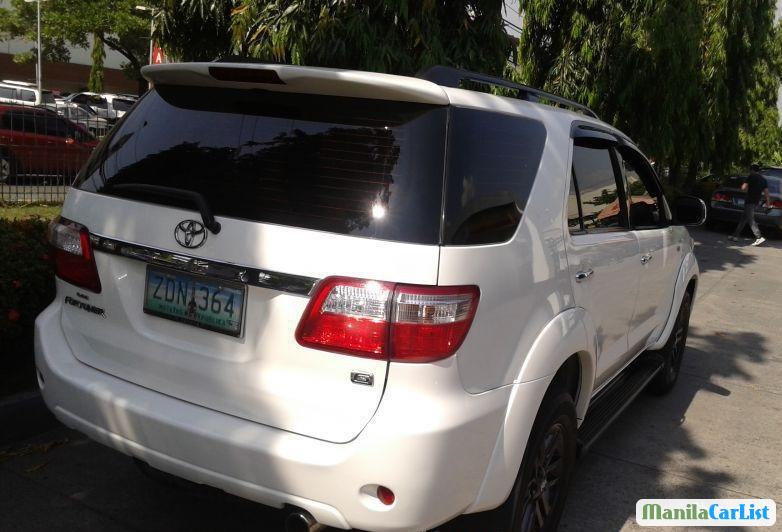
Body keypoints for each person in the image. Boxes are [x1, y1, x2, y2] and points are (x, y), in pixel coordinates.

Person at [729, 164, 770, 246]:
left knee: (750, 219)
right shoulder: (763, 180)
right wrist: (768, 204)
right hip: (756, 201)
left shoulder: (751, 176)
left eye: (750, 170)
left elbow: (743, 187)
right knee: (743, 219)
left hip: (749, 201)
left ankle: (758, 237)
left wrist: (747, 188)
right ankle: (735, 236)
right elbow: (766, 193)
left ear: (752, 170)